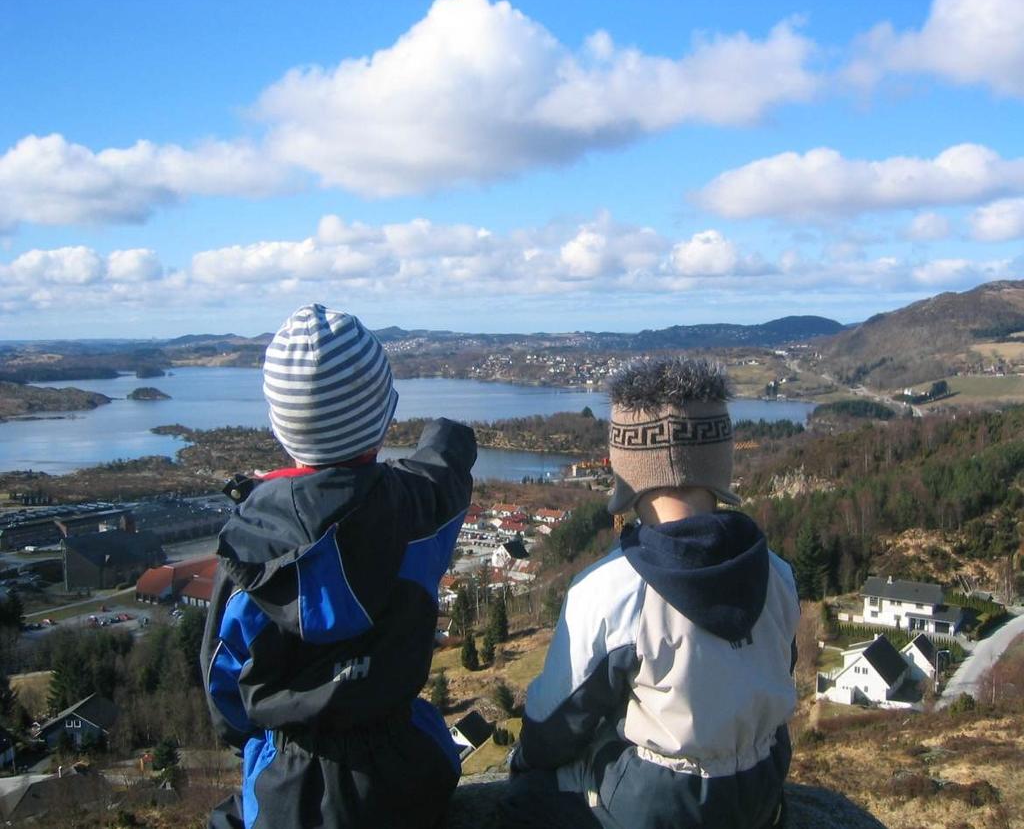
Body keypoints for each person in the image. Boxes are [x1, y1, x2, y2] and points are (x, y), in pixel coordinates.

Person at [201, 304, 476, 829]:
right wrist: (448, 435)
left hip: (290, 783)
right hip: (407, 769)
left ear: (281, 426)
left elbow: (223, 684)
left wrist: (256, 743)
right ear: (383, 416)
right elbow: (443, 470)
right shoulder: (419, 514)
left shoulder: (252, 554)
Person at [504, 357, 799, 829]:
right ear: (719, 460)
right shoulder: (777, 573)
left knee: (524, 798)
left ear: (628, 469)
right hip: (761, 784)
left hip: (661, 803)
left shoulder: (611, 588)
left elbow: (560, 717)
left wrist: (525, 759)